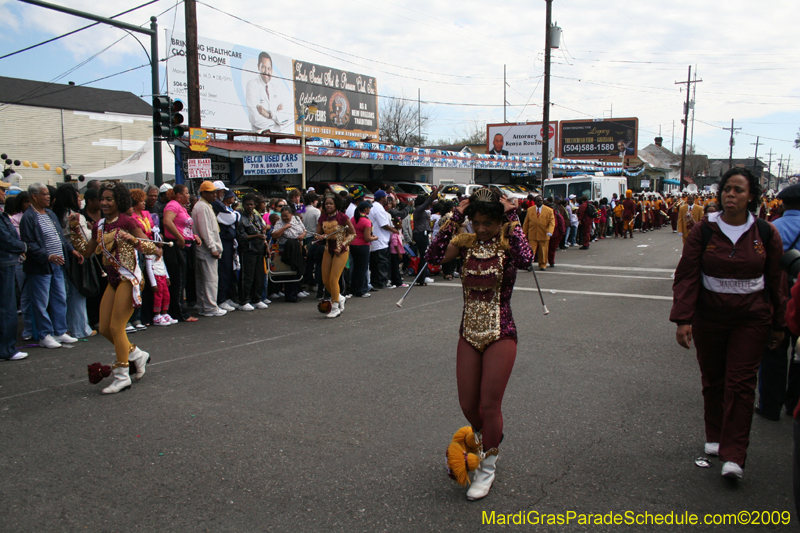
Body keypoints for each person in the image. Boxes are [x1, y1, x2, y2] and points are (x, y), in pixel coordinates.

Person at [671, 168, 787, 480]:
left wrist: (779, 323)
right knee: (714, 379)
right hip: (710, 317)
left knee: (741, 383)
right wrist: (683, 318)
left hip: (751, 318)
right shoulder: (704, 231)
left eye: (738, 190)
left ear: (751, 197)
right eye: (727, 189)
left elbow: (776, 279)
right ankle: (715, 435)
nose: (731, 195)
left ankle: (734, 454)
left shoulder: (766, 233)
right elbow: (687, 275)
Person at [426, 187, 534, 500]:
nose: (482, 228)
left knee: (489, 405)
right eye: (477, 222)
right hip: (468, 332)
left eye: (489, 222)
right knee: (467, 405)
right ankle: (490, 436)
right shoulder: (465, 244)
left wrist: (513, 216)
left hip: (501, 332)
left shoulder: (508, 246)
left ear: (499, 222)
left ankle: (487, 468)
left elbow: (527, 260)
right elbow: (433, 257)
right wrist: (454, 217)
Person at [69, 182, 161, 394]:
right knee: (104, 328)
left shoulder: (128, 221)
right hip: (113, 279)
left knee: (117, 328)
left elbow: (153, 248)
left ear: (119, 201)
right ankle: (137, 355)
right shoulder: (99, 225)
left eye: (109, 199)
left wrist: (133, 240)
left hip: (129, 279)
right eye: (102, 199)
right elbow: (86, 251)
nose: (104, 203)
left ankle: (122, 376)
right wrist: (74, 228)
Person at [19, 183, 83, 349]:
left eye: (48, 194)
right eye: (44, 194)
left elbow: (59, 237)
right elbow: (29, 243)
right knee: (41, 301)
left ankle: (60, 330)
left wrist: (71, 250)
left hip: (58, 263)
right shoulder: (29, 217)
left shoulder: (50, 214)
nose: (48, 197)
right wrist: (47, 256)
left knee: (59, 297)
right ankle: (44, 334)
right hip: (41, 266)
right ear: (34, 196)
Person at [757, 183, 800, 421]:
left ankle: (770, 405)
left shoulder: (772, 228)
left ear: (783, 203)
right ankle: (795, 404)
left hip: (778, 295)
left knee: (773, 350)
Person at [53, 184, 94, 339]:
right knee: (78, 293)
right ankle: (80, 328)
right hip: (77, 256)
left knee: (67, 294)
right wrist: (91, 230)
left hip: (63, 255)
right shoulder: (74, 216)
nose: (79, 200)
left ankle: (69, 327)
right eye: (77, 197)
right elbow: (85, 237)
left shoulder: (55, 214)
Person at [162, 184, 199, 323]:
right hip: (176, 248)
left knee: (183, 280)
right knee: (178, 281)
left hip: (187, 247)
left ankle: (179, 310)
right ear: (179, 195)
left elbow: (184, 226)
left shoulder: (181, 207)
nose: (188, 195)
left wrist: (193, 236)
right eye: (186, 193)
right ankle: (179, 313)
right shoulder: (173, 205)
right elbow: (167, 222)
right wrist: (179, 238)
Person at [0, 180, 28, 360]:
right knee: (7, 308)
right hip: (4, 263)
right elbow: (5, 239)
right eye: (1, 190)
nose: (4, 193)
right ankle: (6, 349)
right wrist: (23, 246)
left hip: (7, 261)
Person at [315, 193, 355, 318]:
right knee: (325, 280)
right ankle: (340, 297)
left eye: (331, 203)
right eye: (326, 204)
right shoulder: (322, 218)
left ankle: (335, 306)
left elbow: (352, 234)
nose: (328, 206)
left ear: (336, 204)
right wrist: (320, 237)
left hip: (341, 250)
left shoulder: (343, 217)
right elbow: (317, 235)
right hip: (328, 249)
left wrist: (342, 246)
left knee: (334, 279)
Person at [192, 181, 226, 317]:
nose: (214, 195)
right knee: (210, 279)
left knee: (203, 280)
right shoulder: (202, 207)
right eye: (211, 192)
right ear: (204, 193)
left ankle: (204, 306)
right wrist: (213, 248)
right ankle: (210, 307)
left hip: (204, 249)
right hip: (206, 249)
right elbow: (205, 230)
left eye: (214, 192)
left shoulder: (203, 205)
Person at [237, 194, 268, 311]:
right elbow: (241, 236)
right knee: (247, 276)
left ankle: (256, 299)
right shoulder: (241, 219)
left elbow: (262, 231)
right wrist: (256, 236)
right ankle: (244, 300)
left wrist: (265, 245)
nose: (250, 206)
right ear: (243, 205)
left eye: (251, 204)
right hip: (248, 250)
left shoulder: (256, 217)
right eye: (247, 205)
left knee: (259, 276)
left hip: (259, 249)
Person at [246, 51, 289, 133]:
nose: (266, 71)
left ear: (272, 70)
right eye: (263, 67)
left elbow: (286, 117)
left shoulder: (276, 89)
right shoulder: (252, 84)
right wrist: (276, 123)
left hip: (276, 136)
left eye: (269, 68)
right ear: (258, 67)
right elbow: (255, 118)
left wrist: (269, 115)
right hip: (258, 136)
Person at [271, 206, 307, 302]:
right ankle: (290, 295)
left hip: (297, 247)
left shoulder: (296, 219)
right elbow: (274, 235)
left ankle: (297, 291)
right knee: (289, 272)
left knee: (297, 270)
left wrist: (302, 235)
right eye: (283, 216)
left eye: (286, 216)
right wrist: (284, 227)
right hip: (286, 249)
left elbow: (304, 230)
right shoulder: (280, 223)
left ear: (291, 214)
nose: (284, 218)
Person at [215, 189, 241, 312]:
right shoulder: (217, 205)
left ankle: (228, 297)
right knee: (224, 271)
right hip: (224, 241)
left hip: (230, 243)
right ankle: (221, 299)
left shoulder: (226, 207)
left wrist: (235, 215)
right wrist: (236, 215)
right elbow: (231, 218)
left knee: (230, 270)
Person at [369, 190, 396, 290]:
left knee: (375, 264)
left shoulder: (374, 206)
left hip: (376, 239)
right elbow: (383, 224)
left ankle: (376, 282)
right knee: (382, 263)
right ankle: (382, 282)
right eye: (385, 197)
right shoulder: (378, 208)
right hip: (380, 240)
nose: (386, 199)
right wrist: (393, 230)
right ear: (381, 198)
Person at [350, 200, 377, 297]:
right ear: (365, 209)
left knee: (355, 268)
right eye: (369, 208)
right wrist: (375, 238)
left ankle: (354, 288)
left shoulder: (353, 218)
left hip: (353, 244)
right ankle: (362, 290)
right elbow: (367, 238)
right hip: (363, 246)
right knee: (363, 269)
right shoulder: (366, 221)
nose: (370, 210)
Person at [412, 187, 439, 285]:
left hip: (424, 233)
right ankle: (421, 279)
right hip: (420, 233)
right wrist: (435, 192)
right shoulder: (418, 210)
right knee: (424, 256)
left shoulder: (421, 211)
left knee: (425, 256)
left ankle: (422, 277)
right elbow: (428, 202)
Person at [522, 195, 555, 270]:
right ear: (535, 202)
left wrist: (550, 231)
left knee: (543, 251)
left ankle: (542, 265)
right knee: (531, 250)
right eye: (538, 201)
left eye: (541, 201)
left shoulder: (549, 210)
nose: (539, 202)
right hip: (532, 234)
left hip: (544, 234)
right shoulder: (530, 210)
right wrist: (524, 233)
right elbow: (526, 223)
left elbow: (552, 222)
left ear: (543, 201)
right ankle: (529, 264)